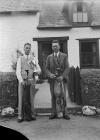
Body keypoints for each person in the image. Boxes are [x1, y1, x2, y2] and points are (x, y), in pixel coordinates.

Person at [16, 43, 41, 122]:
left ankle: (32, 114)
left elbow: (37, 69)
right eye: (26, 48)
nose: (28, 49)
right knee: (21, 98)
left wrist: (36, 77)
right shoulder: (20, 58)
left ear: (30, 49)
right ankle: (20, 116)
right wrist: (21, 80)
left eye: (29, 48)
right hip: (22, 81)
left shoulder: (32, 59)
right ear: (24, 49)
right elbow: (18, 71)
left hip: (31, 81)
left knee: (31, 98)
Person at [46, 40, 70, 120]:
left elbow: (67, 68)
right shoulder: (49, 57)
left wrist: (62, 76)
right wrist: (50, 74)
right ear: (52, 47)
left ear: (59, 46)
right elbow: (46, 68)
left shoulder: (64, 56)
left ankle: (65, 113)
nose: (54, 47)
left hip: (62, 80)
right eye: (53, 46)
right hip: (53, 80)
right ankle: (53, 113)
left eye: (56, 46)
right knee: (53, 96)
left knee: (63, 96)